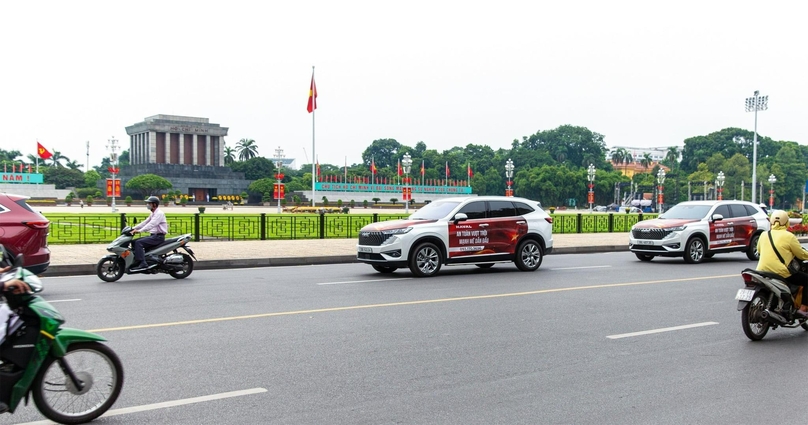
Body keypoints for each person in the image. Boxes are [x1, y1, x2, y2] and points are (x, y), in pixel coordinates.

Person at [755, 209, 808, 318]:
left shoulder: (764, 234)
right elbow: (801, 254)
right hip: (781, 274)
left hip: (761, 271)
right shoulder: (789, 236)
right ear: (786, 222)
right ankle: (803, 308)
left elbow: (759, 251)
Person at [131, 196, 168, 272]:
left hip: (158, 237)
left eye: (149, 203)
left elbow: (151, 224)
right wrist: (133, 228)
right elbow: (145, 222)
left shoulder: (159, 214)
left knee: (139, 243)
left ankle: (143, 263)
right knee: (133, 242)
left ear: (154, 204)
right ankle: (138, 260)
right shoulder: (153, 213)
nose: (147, 205)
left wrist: (140, 231)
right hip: (154, 236)